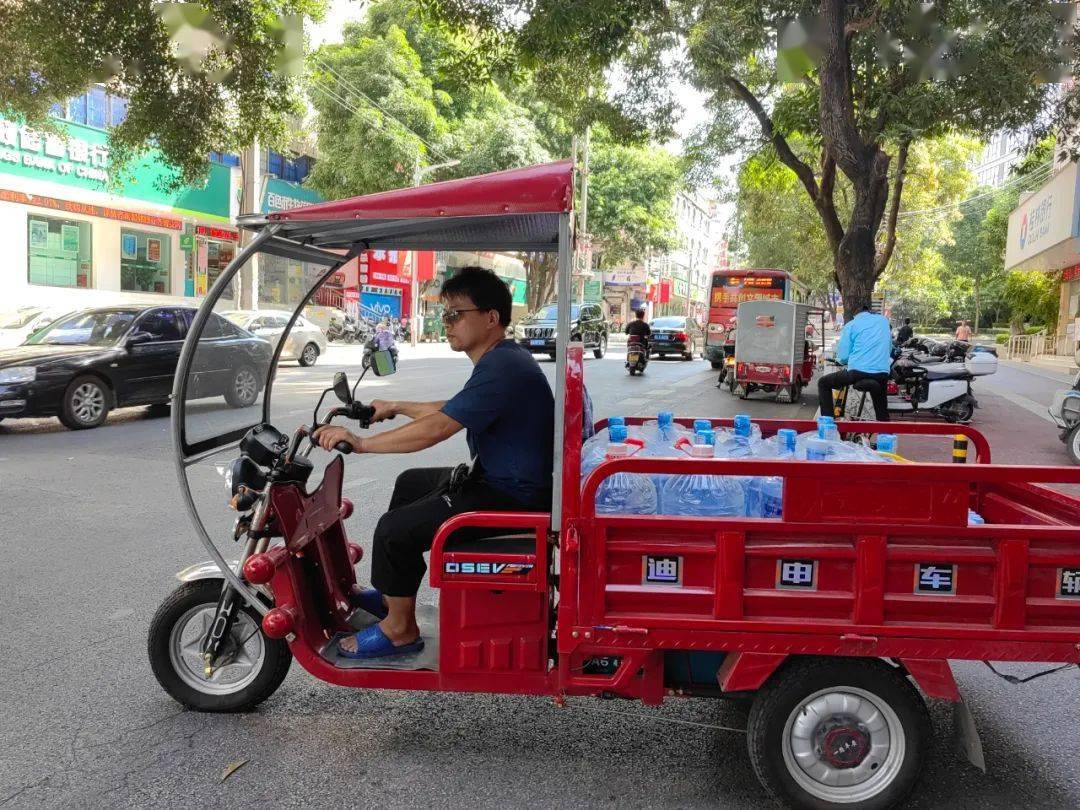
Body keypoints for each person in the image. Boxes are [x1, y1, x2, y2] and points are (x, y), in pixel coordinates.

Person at [313, 267, 554, 659]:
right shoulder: (504, 360)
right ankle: (396, 598)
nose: (447, 324)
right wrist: (395, 406)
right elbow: (453, 409)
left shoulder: (503, 368)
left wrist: (360, 443)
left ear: (491, 318)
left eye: (456, 314)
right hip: (506, 482)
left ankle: (399, 630)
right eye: (445, 315)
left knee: (394, 529)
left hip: (515, 496)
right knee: (411, 483)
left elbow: (439, 428)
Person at [817, 302, 893, 421]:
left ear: (854, 313)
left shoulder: (852, 324)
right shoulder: (884, 321)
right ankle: (886, 432)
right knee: (882, 410)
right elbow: (889, 349)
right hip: (882, 373)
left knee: (823, 383)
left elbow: (843, 356)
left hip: (857, 372)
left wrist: (841, 360)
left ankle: (828, 424)